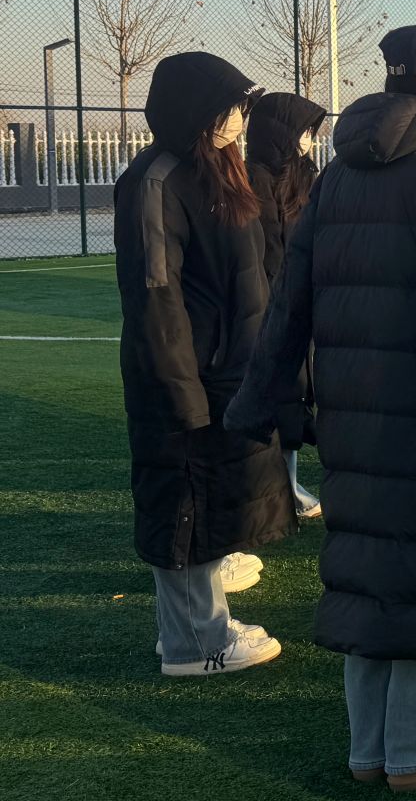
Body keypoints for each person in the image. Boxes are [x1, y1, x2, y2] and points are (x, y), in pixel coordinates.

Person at [228, 24, 416, 790]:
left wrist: (258, 399)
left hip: (353, 411)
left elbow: (290, 299)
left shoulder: (340, 173)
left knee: (368, 564)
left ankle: (371, 748)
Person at [115, 52, 290, 677]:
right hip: (186, 377)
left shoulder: (220, 169)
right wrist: (181, 394)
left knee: (212, 496)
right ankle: (195, 643)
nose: (240, 118)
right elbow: (157, 299)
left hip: (227, 373)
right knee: (182, 500)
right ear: (196, 109)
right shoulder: (156, 180)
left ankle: (196, 626)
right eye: (231, 106)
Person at [245, 90, 329, 517]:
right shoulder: (255, 180)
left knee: (296, 398)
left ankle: (288, 486)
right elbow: (267, 250)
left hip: (299, 301)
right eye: (304, 131)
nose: (309, 140)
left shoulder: (304, 177)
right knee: (276, 396)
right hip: (268, 304)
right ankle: (277, 491)